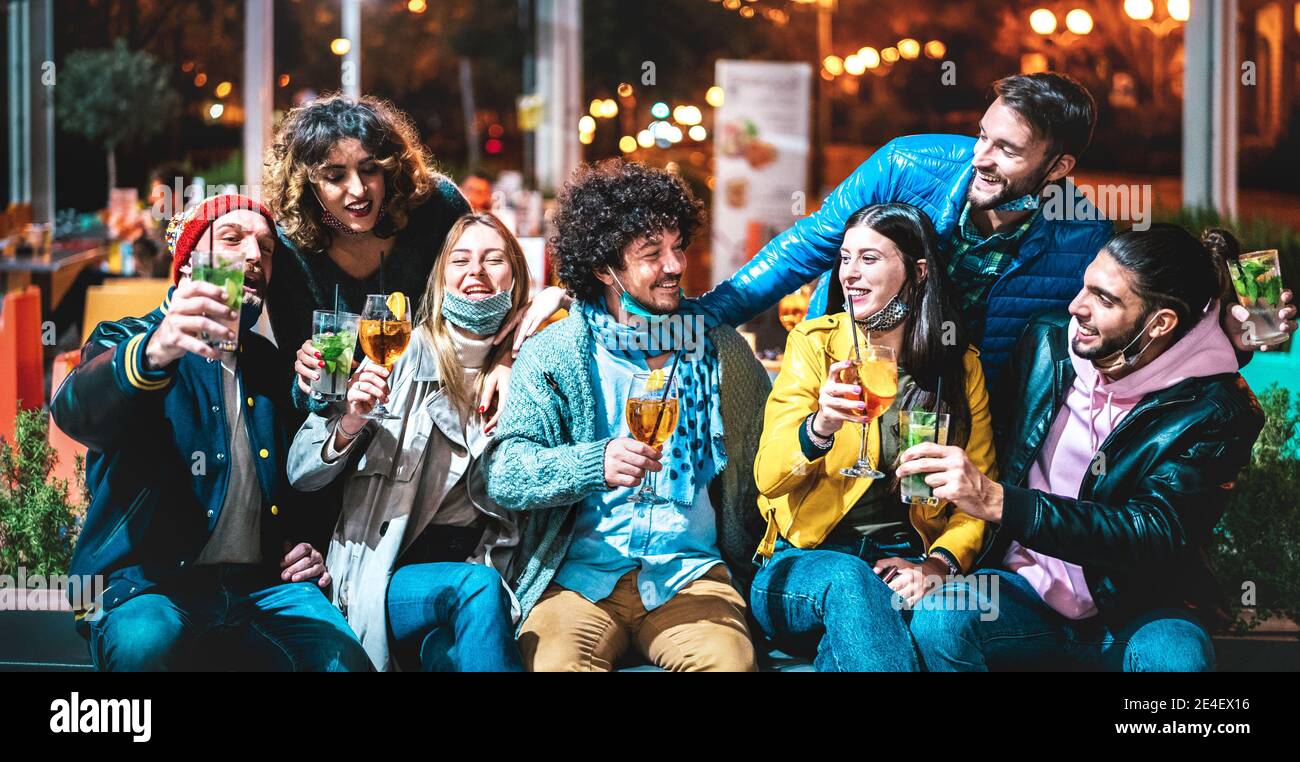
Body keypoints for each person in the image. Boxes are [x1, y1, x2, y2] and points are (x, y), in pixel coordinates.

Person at [685, 72, 1294, 386]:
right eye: (982, 136)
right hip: (853, 384)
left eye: (1008, 149)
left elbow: (1116, 339)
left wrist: (1229, 342)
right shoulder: (905, 164)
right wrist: (704, 315)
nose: (982, 157)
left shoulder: (1083, 234)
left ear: (1058, 167)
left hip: (974, 428)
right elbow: (807, 244)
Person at [901, 225, 1266, 672]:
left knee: (1176, 659)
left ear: (1161, 323)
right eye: (1084, 286)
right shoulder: (1047, 344)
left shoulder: (1217, 410)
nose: (1077, 306)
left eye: (1104, 299)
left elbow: (1152, 532)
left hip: (1138, 608)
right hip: (1022, 589)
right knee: (942, 620)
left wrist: (1000, 502)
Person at [50, 195, 370, 672]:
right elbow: (75, 411)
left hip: (260, 586)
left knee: (343, 659)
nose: (253, 257)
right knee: (146, 644)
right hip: (148, 585)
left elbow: (297, 477)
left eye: (265, 248)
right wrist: (155, 350)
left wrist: (309, 545)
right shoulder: (128, 338)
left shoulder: (267, 362)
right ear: (186, 268)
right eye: (233, 239)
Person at [483, 159, 770, 671]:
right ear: (603, 268)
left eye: (678, 247)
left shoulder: (720, 350)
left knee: (730, 665)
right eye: (652, 253)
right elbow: (505, 474)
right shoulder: (556, 352)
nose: (676, 266)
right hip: (581, 580)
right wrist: (594, 464)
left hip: (690, 576)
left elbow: (769, 459)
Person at [749, 203, 996, 671]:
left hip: (899, 563)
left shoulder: (957, 367)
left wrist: (937, 566)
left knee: (858, 634)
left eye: (869, 259)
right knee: (850, 582)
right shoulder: (816, 344)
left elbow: (977, 498)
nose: (849, 274)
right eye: (845, 259)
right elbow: (768, 478)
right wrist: (819, 427)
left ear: (918, 272)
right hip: (802, 563)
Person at [287, 212, 529, 672]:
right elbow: (300, 474)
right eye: (460, 260)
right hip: (387, 573)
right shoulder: (398, 351)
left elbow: (583, 316)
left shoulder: (530, 361)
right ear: (441, 280)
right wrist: (350, 421)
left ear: (516, 278)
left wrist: (547, 308)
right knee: (477, 588)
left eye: (493, 259)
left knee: (450, 655)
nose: (475, 271)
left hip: (483, 572)